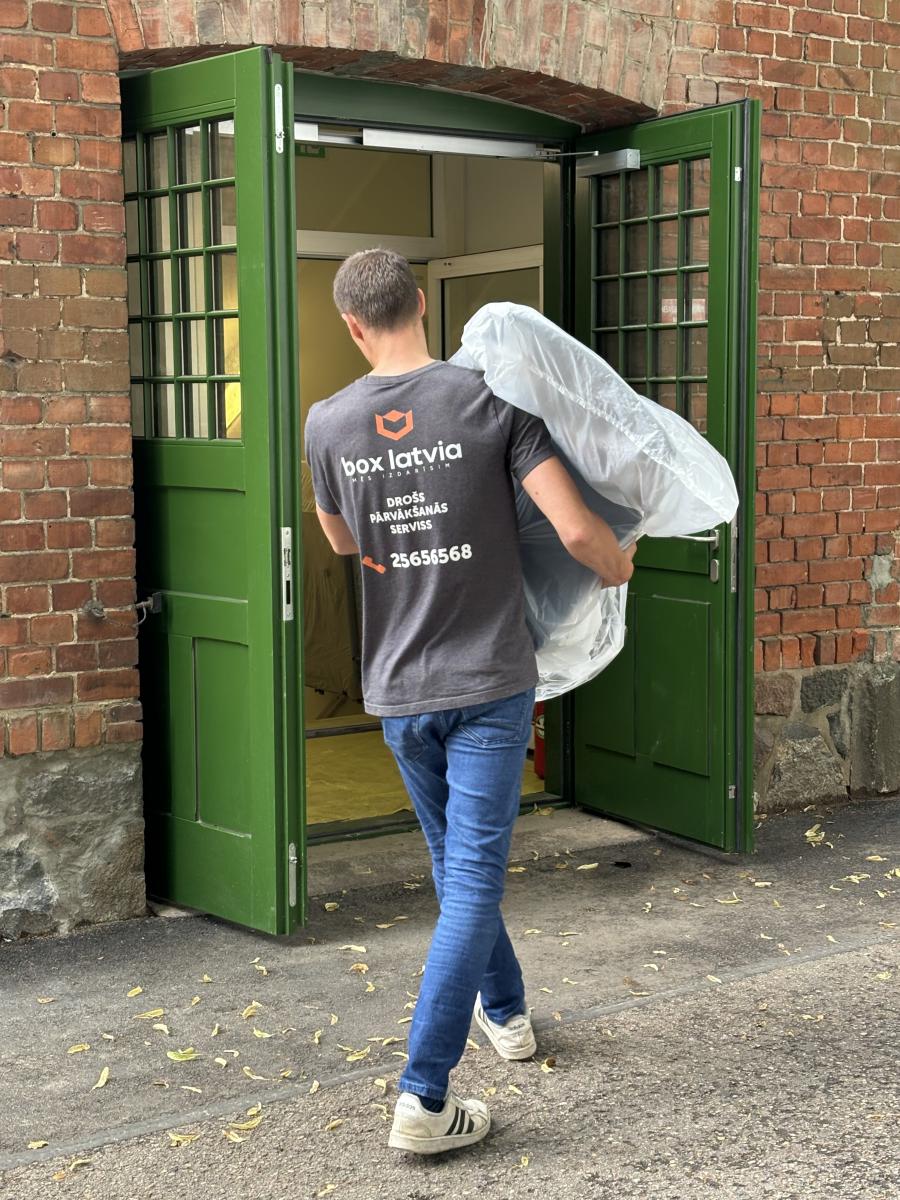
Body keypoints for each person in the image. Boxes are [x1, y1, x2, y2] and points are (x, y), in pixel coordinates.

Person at [304, 248, 635, 1155]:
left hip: (400, 689)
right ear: (421, 302)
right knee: (473, 882)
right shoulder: (493, 401)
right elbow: (576, 529)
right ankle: (423, 1096)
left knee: (459, 870)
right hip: (488, 681)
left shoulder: (327, 422)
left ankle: (510, 1012)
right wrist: (618, 564)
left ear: (352, 326)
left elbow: (341, 539)